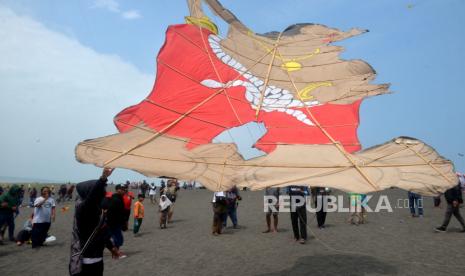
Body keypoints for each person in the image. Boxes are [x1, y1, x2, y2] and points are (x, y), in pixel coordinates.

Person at [69, 168, 119, 276]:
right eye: (102, 192)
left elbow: (102, 232)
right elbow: (92, 198)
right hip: (85, 263)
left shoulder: (97, 211)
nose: (104, 194)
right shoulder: (83, 209)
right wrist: (103, 178)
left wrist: (111, 247)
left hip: (97, 260)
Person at [106, 184, 126, 258]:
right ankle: (116, 254)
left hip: (116, 223)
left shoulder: (119, 198)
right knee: (117, 239)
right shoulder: (115, 199)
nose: (124, 191)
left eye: (125, 189)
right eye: (122, 189)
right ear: (118, 190)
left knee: (118, 239)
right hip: (113, 223)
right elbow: (111, 213)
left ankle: (116, 252)